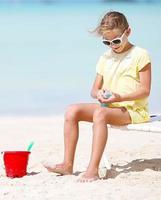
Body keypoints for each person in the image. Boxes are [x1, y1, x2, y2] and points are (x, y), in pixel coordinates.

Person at [44, 11, 152, 182]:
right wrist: (100, 94)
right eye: (106, 42)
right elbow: (94, 90)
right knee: (72, 110)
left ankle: (92, 170)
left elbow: (145, 90)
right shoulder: (105, 57)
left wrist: (118, 97)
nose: (112, 45)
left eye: (116, 40)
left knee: (100, 114)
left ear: (128, 32)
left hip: (133, 110)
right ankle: (67, 165)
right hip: (111, 106)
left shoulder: (140, 54)